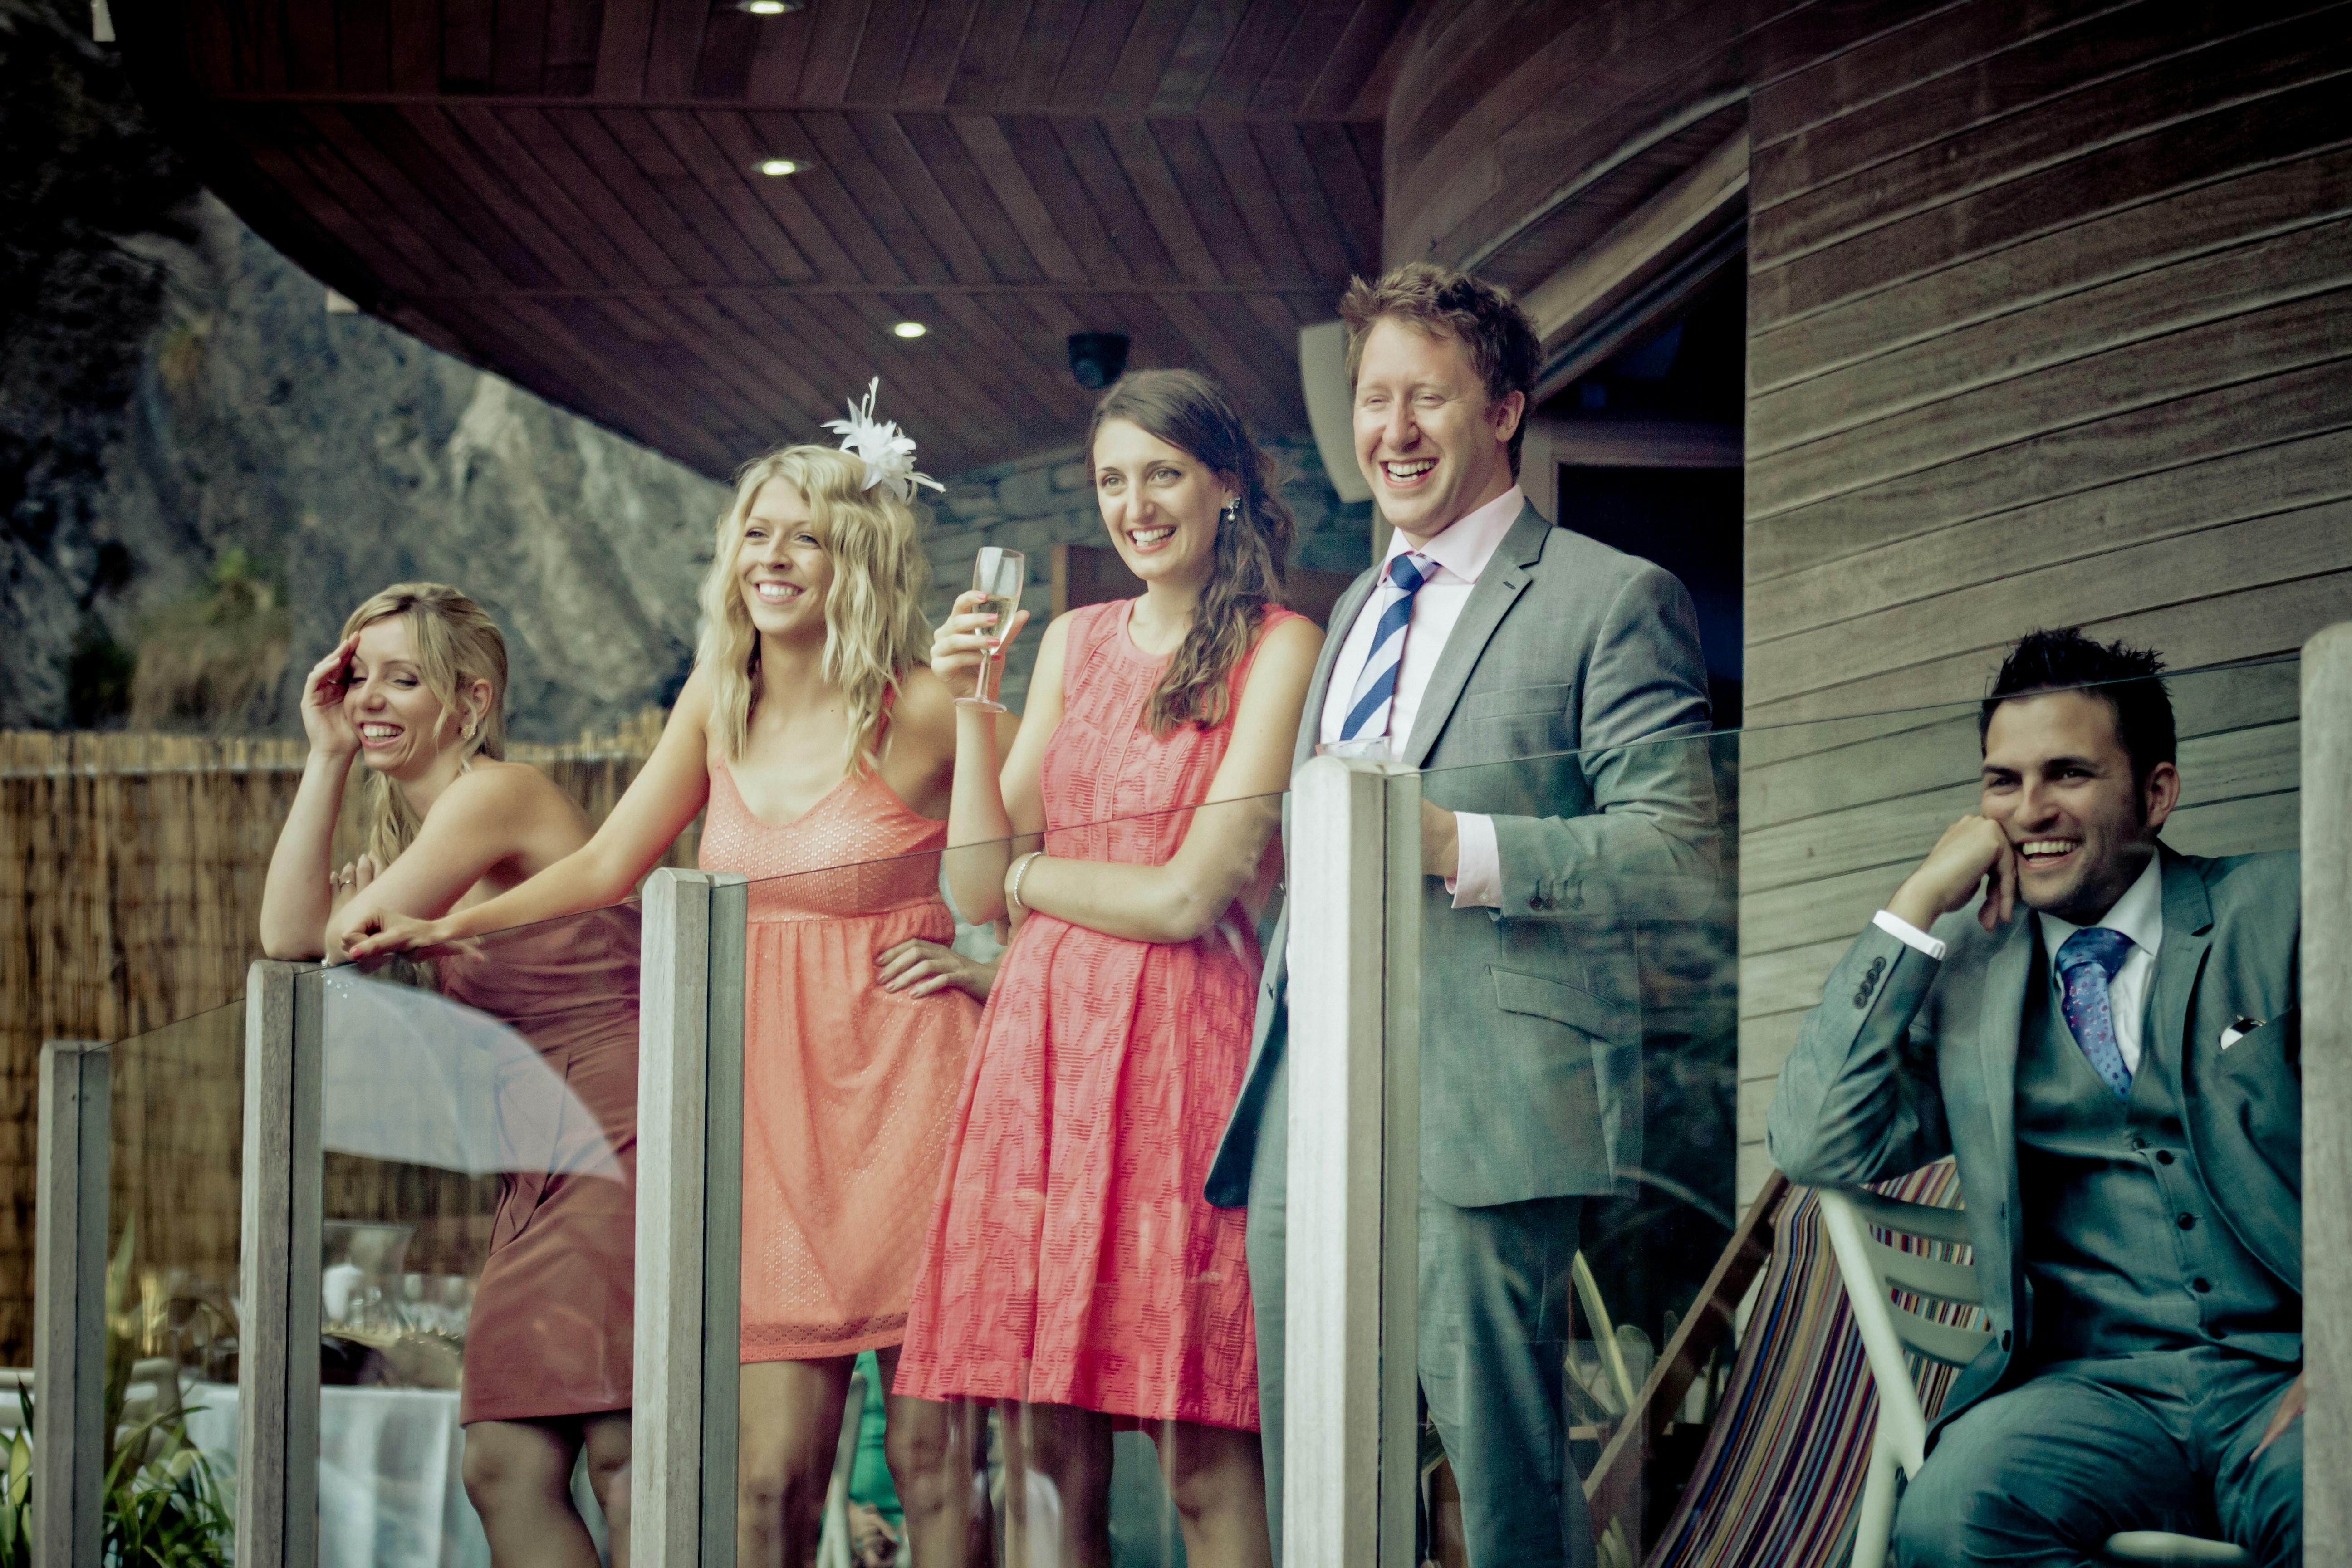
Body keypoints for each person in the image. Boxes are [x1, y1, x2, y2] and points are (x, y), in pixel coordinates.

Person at [346, 402, 1002, 1568]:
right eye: (754, 536)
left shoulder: (923, 707)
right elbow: (604, 865)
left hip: (912, 1099)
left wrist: (986, 964)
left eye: (803, 538)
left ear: (856, 556)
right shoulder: (717, 700)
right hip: (762, 1121)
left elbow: (1029, 864)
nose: (772, 560)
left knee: (933, 1466)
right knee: (764, 1485)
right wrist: (443, 923)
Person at [1205, 262, 1718, 1568]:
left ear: (1505, 410)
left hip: (1487, 1098)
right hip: (1304, 1096)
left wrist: (1456, 846)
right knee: (1318, 1455)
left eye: (1426, 397)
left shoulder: (1614, 598)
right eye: (1374, 399)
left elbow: (1673, 855)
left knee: (1499, 1476)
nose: (1394, 430)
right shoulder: (1354, 614)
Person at [892, 368, 1322, 1568]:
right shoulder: (1075, 643)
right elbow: (970, 884)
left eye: (1163, 474)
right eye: (1113, 481)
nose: (1136, 505)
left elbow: (1192, 895)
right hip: (1036, 1064)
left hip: (1188, 1057)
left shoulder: (1283, 648)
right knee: (1041, 1450)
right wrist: (974, 710)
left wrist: (1035, 884)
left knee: (1197, 1449)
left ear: (1225, 482)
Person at [1769, 628, 2303, 1566]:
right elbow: (1814, 1142)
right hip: (2093, 1397)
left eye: (2068, 774)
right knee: (1949, 1521)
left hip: (2296, 1376)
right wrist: (1920, 900)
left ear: (2157, 793)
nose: (2030, 811)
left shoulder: (2283, 909)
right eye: (2002, 782)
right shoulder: (1972, 985)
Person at [260, 583, 640, 1568]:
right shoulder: (418, 840)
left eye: (404, 679)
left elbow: (332, 933)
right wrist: (326, 753)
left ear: (469, 703)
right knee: (504, 1468)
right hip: (543, 1154)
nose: (371, 699)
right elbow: (288, 939)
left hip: (628, 1125)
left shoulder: (494, 795)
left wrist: (357, 920)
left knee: (628, 1455)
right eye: (358, 679)